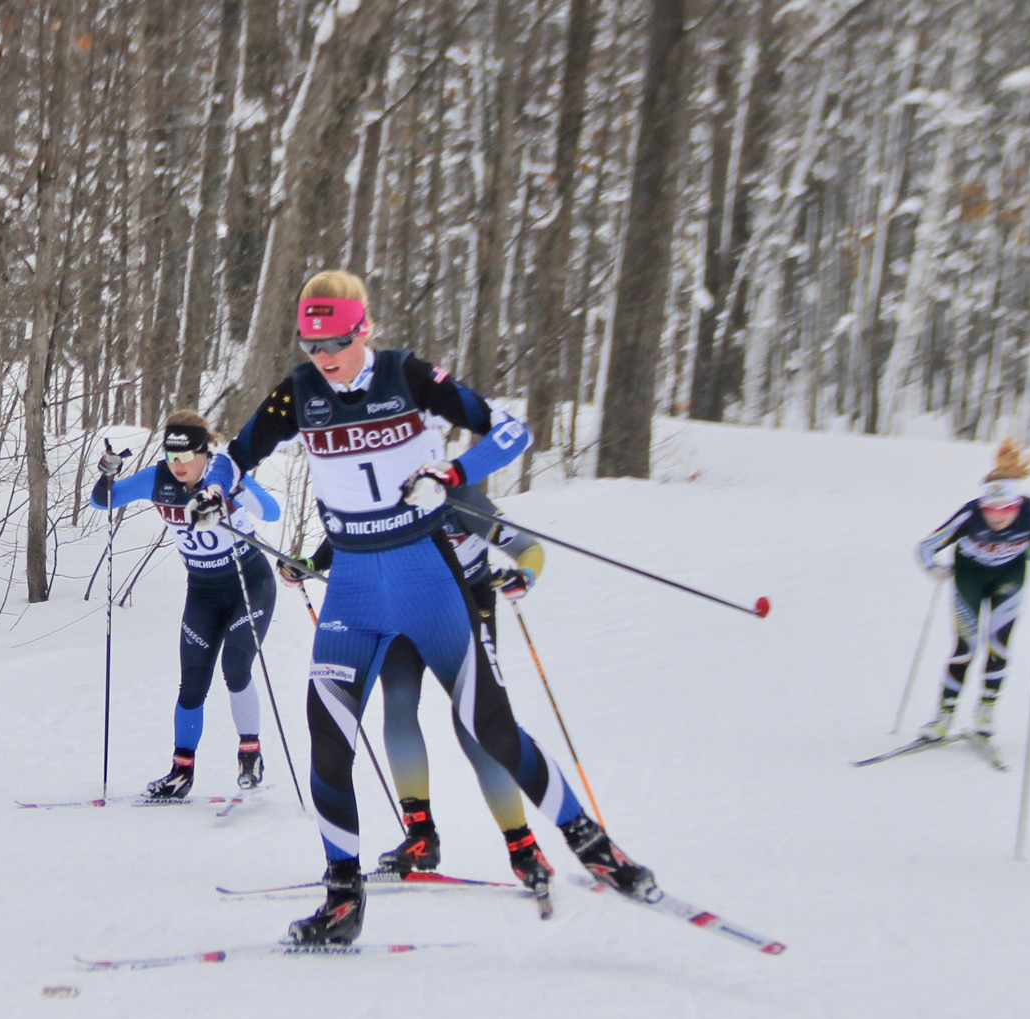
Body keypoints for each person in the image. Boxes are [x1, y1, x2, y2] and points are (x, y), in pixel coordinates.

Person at [231, 270, 652, 946]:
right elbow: (237, 455)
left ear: (362, 328)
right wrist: (210, 492)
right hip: (354, 590)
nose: (324, 357)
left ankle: (594, 845)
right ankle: (343, 898)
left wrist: (449, 476)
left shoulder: (410, 376)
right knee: (328, 732)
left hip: (428, 575)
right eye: (311, 344)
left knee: (491, 724)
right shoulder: (299, 391)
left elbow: (513, 433)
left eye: (336, 340)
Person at [286, 487, 553, 893]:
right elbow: (340, 544)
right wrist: (306, 565)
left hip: (465, 607)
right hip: (405, 605)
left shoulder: (458, 496)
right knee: (399, 703)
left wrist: (524, 576)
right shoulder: (380, 492)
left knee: (475, 725)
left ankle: (524, 848)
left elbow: (528, 548)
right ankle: (421, 836)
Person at [92, 410, 280, 799]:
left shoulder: (223, 474)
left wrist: (237, 487)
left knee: (235, 666)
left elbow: (272, 513)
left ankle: (250, 754)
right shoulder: (158, 478)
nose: (177, 466)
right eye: (170, 456)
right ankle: (181, 772)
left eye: (186, 457)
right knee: (192, 683)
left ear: (205, 453)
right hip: (204, 591)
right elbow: (103, 501)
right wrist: (107, 472)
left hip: (249, 583)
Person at [914, 440, 1030, 743]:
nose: (997, 516)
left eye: (1007, 508)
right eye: (991, 508)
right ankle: (944, 717)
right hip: (970, 579)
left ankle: (986, 710)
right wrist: (934, 569)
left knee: (999, 645)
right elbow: (924, 547)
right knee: (965, 648)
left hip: (1009, 578)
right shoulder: (970, 515)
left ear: (1018, 502)